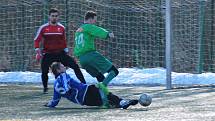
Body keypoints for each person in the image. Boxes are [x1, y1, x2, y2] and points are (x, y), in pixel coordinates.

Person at [34, 8, 86, 93]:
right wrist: (37, 50)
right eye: (52, 16)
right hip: (48, 54)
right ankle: (45, 88)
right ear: (49, 17)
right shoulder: (43, 28)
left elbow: (63, 40)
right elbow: (36, 40)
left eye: (56, 16)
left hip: (60, 53)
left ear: (58, 17)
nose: (54, 17)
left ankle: (84, 84)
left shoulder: (61, 28)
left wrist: (66, 50)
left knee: (75, 65)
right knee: (44, 71)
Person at [44, 62, 138, 109]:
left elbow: (55, 101)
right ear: (58, 70)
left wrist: (48, 104)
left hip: (84, 101)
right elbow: (65, 84)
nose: (64, 66)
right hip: (86, 91)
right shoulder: (63, 75)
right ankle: (123, 102)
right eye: (61, 66)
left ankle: (121, 103)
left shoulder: (56, 85)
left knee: (107, 103)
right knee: (101, 87)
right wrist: (67, 88)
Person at [73, 11, 118, 86]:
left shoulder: (78, 31)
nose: (95, 23)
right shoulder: (88, 26)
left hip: (82, 60)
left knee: (100, 77)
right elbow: (97, 30)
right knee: (114, 71)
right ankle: (100, 89)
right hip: (90, 55)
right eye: (95, 21)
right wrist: (108, 34)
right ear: (90, 19)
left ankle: (103, 95)